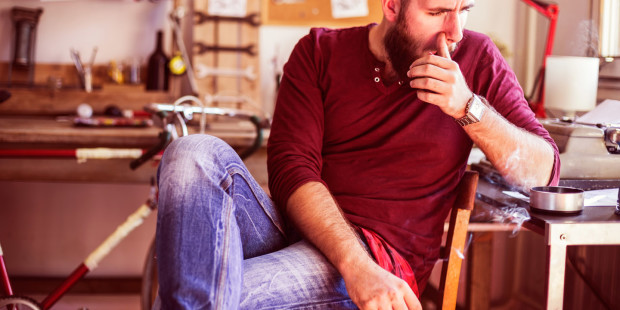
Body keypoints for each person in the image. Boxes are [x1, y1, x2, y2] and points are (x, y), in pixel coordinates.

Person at [154, 0, 560, 308]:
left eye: (464, 9)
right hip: (309, 236)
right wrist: (355, 268)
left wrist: (468, 107)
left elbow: (542, 172)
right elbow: (291, 170)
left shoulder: (477, 59)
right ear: (392, 5)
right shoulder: (317, 52)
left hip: (383, 260)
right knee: (191, 151)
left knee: (210, 290)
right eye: (438, 11)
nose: (454, 31)